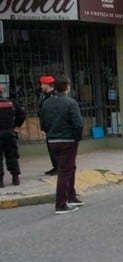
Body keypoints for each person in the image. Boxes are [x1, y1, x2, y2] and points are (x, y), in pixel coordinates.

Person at [40, 76, 84, 214]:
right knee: (65, 171)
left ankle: (71, 196)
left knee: (69, 168)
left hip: (53, 140)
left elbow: (43, 123)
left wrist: (51, 133)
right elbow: (78, 124)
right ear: (67, 87)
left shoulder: (46, 103)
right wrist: (76, 138)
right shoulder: (70, 103)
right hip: (67, 141)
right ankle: (61, 204)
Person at [0, 85, 27, 188]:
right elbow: (22, 115)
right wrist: (15, 125)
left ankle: (1, 181)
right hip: (9, 133)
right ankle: (15, 177)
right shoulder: (11, 103)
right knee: (12, 156)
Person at [37, 75, 58, 176]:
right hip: (48, 126)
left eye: (42, 84)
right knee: (51, 149)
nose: (41, 86)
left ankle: (58, 168)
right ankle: (55, 167)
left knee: (54, 148)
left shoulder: (54, 96)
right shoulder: (44, 95)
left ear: (48, 85)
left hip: (53, 126)